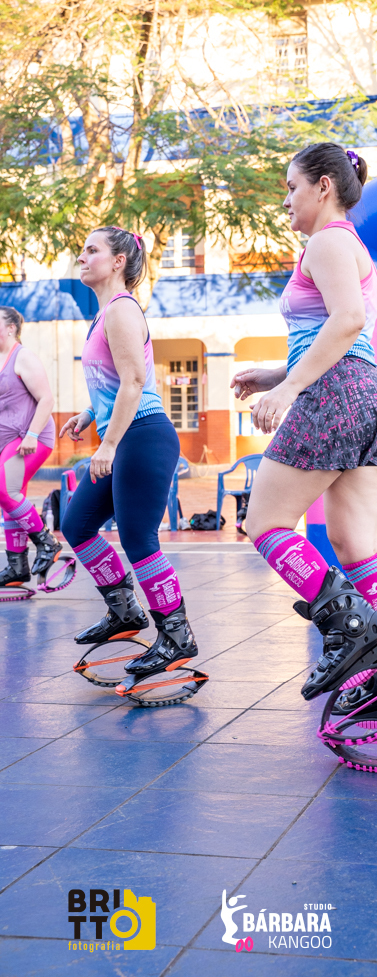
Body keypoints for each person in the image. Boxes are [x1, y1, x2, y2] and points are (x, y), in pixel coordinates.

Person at [233, 142, 377, 713]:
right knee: (355, 545)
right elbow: (339, 335)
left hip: (335, 396)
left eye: (292, 187)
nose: (286, 199)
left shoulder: (328, 240)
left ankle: (351, 628)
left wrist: (290, 388)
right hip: (366, 397)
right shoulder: (345, 243)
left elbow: (349, 320)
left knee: (265, 522)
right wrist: (275, 375)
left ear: (323, 186)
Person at [59, 227, 199, 692]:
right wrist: (89, 414)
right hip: (126, 434)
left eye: (92, 250)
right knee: (77, 525)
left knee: (138, 538)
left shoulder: (121, 309)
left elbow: (135, 382)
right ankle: (124, 611)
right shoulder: (105, 314)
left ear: (118, 261)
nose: (82, 256)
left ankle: (176, 635)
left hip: (141, 436)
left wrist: (108, 444)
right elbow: (117, 379)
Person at [0, 305, 62, 588]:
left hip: (30, 437)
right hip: (8, 440)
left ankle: (47, 543)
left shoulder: (22, 357)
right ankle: (17, 566)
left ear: (10, 328)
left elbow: (47, 399)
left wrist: (32, 435)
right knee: (10, 499)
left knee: (5, 490)